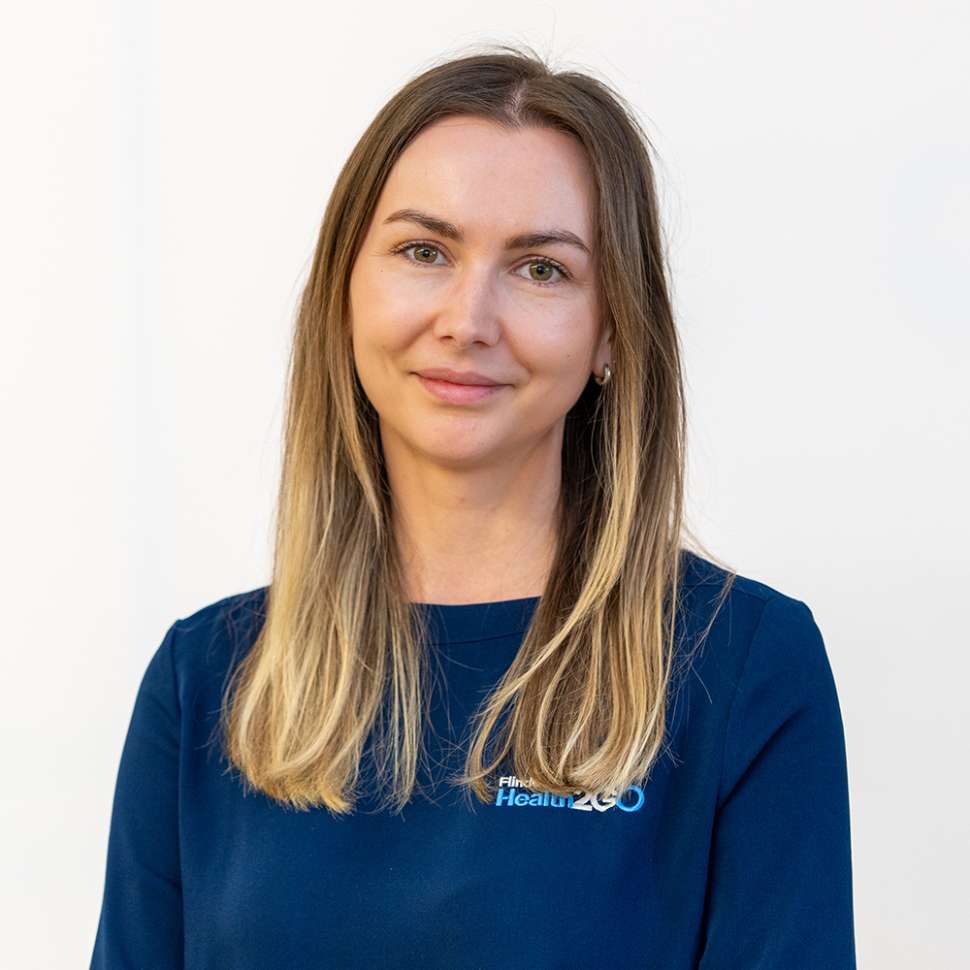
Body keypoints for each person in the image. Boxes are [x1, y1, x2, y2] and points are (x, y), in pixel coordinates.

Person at [90, 43, 856, 968]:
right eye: (424, 251)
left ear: (612, 328)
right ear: (345, 291)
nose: (467, 320)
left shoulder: (743, 672)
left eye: (540, 269)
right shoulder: (206, 682)